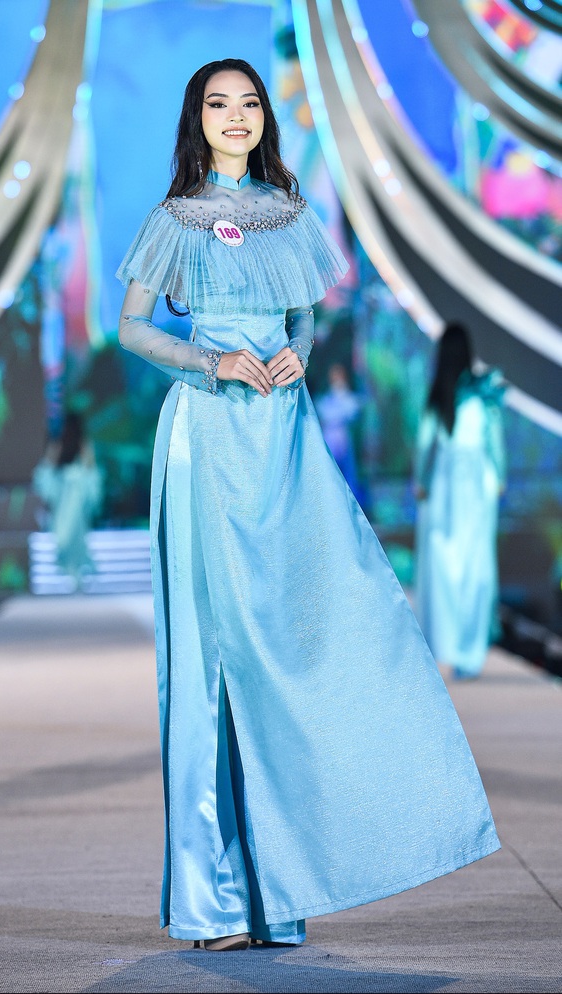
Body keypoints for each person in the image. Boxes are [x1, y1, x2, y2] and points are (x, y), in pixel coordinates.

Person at [116, 59, 500, 953]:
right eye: (219, 104)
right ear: (197, 119)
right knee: (211, 661)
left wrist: (296, 347)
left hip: (282, 439)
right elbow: (132, 328)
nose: (236, 116)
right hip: (207, 435)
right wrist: (210, 361)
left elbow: (304, 317)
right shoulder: (174, 218)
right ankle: (214, 902)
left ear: (264, 118)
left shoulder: (289, 213)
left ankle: (280, 892)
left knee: (295, 642)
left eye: (249, 103)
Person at [414, 322, 506, 680]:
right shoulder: (482, 393)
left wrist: (421, 481)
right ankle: (469, 651)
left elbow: (425, 443)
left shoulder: (439, 393)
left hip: (444, 481)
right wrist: (499, 477)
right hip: (476, 481)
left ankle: (447, 646)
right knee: (475, 565)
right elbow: (493, 440)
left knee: (442, 564)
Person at [32, 410, 102, 589]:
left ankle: (76, 572)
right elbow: (44, 485)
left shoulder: (84, 453)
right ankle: (71, 572)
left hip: (77, 512)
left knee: (73, 540)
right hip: (61, 513)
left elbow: (93, 487)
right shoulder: (57, 452)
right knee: (63, 540)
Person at [314, 362, 362, 501]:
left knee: (348, 474)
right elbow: (324, 414)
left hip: (343, 439)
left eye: (338, 374)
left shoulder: (350, 398)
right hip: (329, 439)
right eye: (333, 375)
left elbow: (351, 411)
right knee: (330, 472)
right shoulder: (325, 399)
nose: (335, 377)